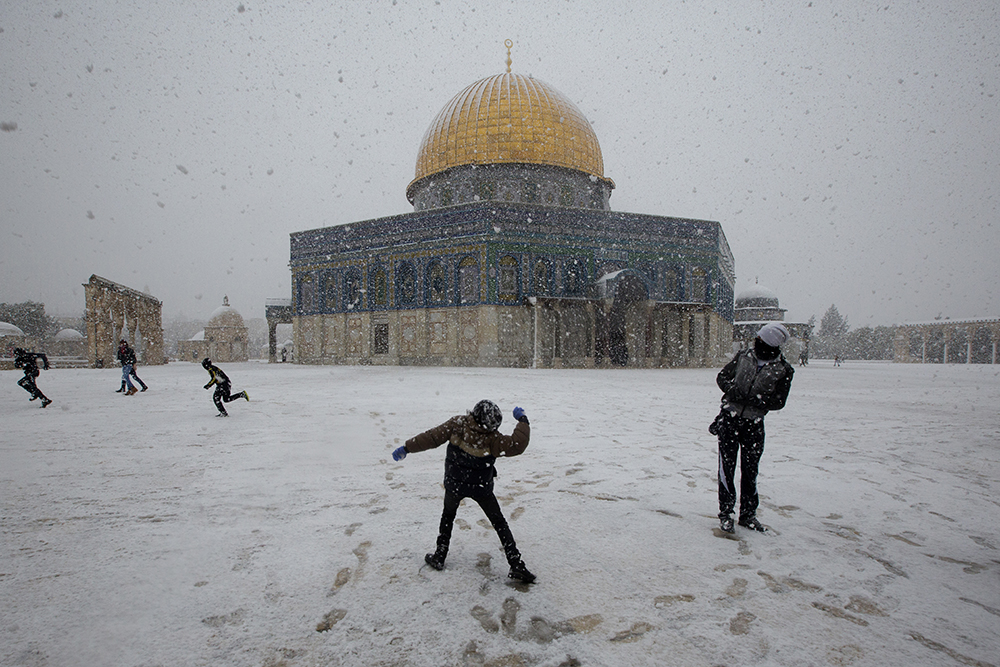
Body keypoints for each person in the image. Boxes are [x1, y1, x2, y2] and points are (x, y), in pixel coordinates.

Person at [392, 400, 536, 584]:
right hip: (481, 488)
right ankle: (516, 564)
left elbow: (431, 437)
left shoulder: (457, 424)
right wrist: (522, 419)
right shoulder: (494, 438)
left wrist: (407, 448)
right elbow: (518, 443)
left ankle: (440, 555)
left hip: (455, 484)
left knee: (448, 516)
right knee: (499, 522)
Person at [711, 323, 794, 534]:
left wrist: (758, 401)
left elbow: (779, 401)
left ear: (770, 343)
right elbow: (722, 377)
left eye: (760, 339)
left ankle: (748, 514)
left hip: (754, 424)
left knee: (750, 471)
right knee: (726, 469)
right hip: (730, 420)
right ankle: (726, 512)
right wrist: (732, 391)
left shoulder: (783, 369)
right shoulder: (743, 356)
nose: (756, 342)